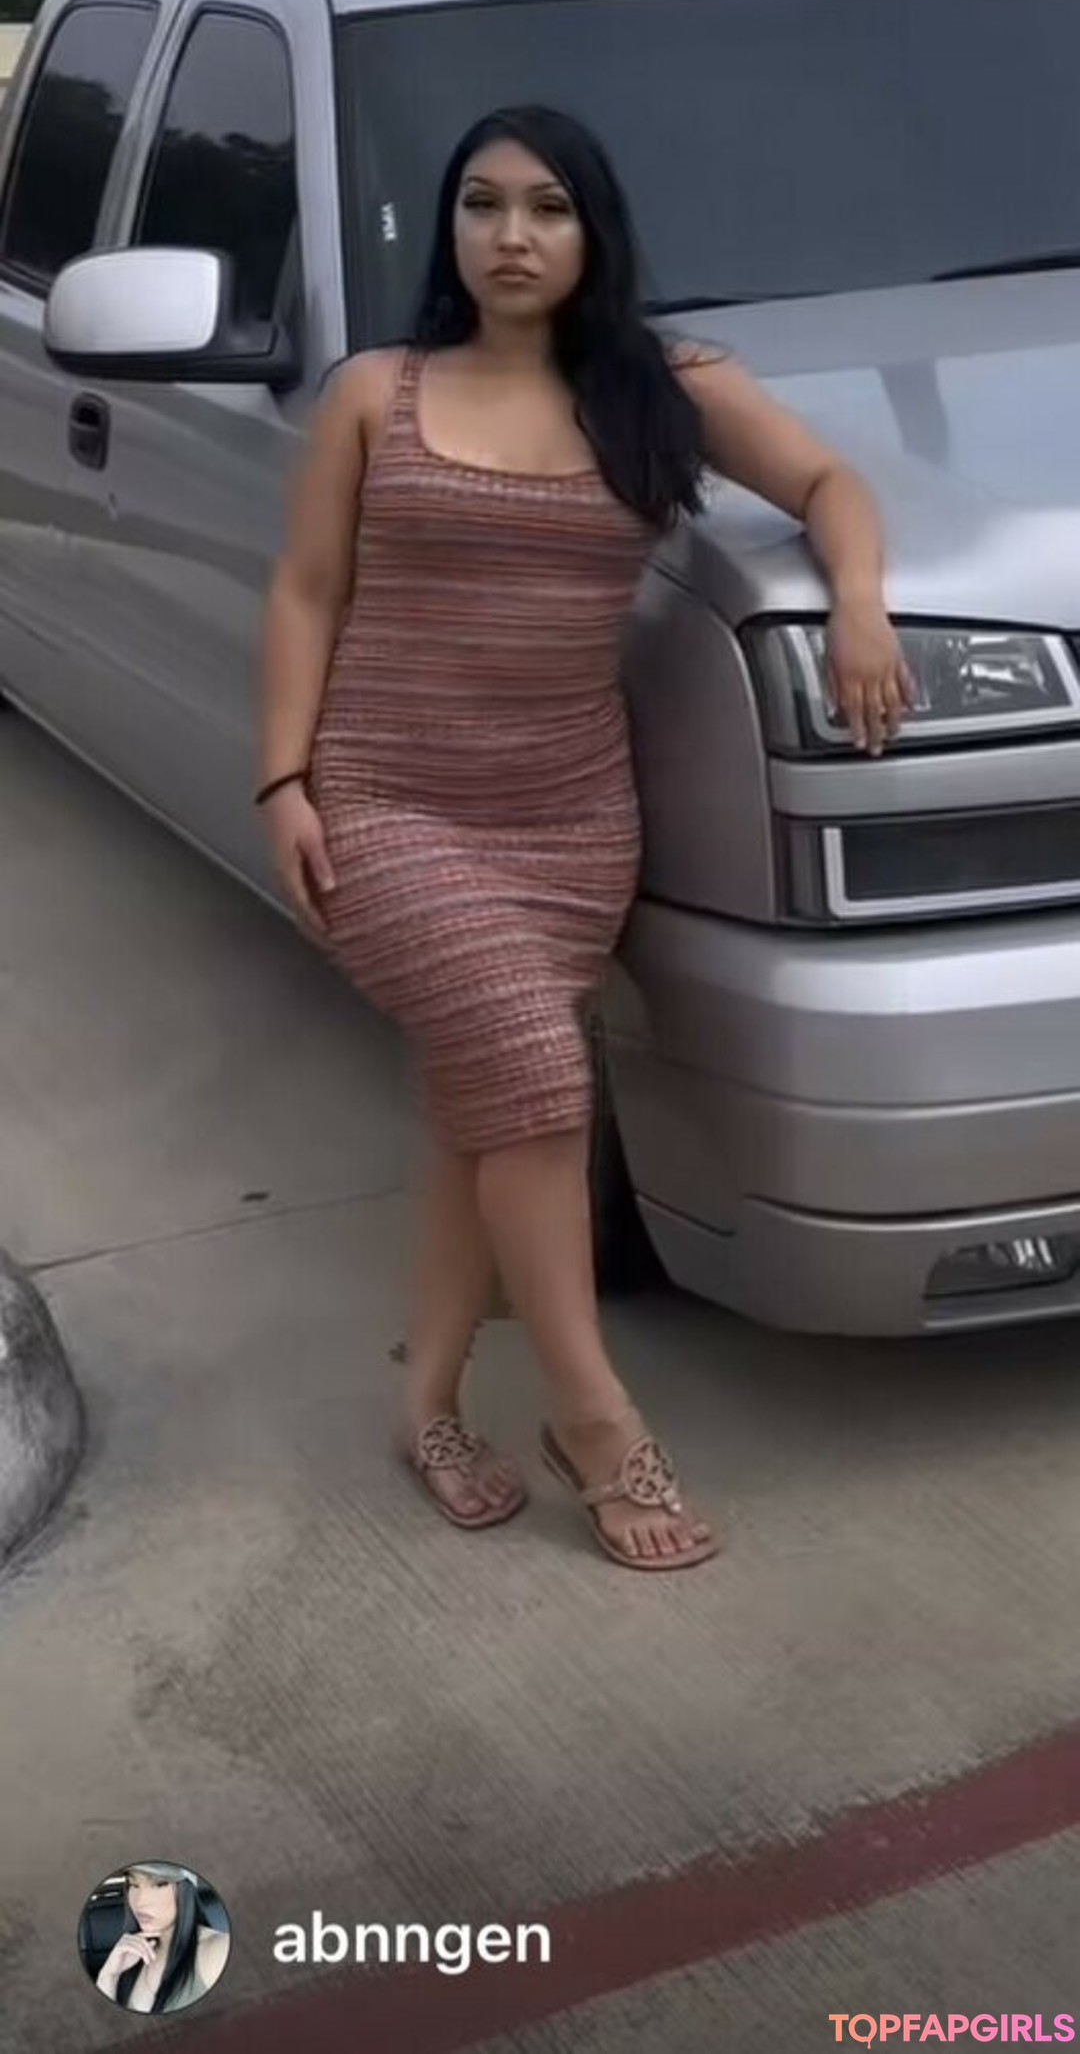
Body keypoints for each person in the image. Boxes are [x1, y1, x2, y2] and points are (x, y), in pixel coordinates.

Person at [257, 104, 914, 1574]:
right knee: (538, 1079)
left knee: (486, 1106)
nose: (511, 236)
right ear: (449, 225)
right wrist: (282, 780)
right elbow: (306, 589)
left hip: (567, 820)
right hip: (388, 800)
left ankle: (427, 1402)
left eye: (547, 208)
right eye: (482, 205)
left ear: (593, 230)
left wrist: (859, 603)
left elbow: (829, 484)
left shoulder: (660, 388)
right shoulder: (376, 393)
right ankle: (595, 1416)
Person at [93, 1865, 229, 2013]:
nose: (140, 1902)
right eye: (134, 1884)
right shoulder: (131, 1955)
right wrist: (108, 1977)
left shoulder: (219, 1950)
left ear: (186, 1889)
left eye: (159, 1884)